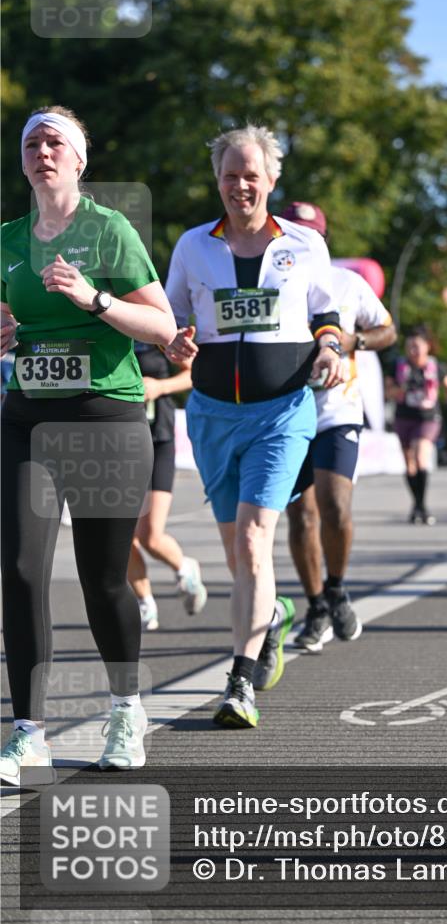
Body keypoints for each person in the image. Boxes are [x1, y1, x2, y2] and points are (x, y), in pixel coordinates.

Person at [0, 106, 176, 785]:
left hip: (105, 415)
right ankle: (28, 733)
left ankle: (126, 712)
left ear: (78, 160)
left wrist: (93, 299)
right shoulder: (10, 237)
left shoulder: (109, 230)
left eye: (55, 142)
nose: (43, 151)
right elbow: (9, 314)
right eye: (32, 142)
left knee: (104, 578)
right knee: (18, 570)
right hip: (28, 418)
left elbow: (161, 325)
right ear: (23, 160)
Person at [164, 125, 343, 729]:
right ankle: (273, 612)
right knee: (241, 560)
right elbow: (172, 316)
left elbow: (327, 313)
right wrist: (177, 341)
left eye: (250, 174)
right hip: (212, 413)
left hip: (282, 410)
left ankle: (239, 684)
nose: (239, 184)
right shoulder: (193, 245)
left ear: (271, 179)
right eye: (229, 175)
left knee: (251, 540)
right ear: (217, 180)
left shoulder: (304, 244)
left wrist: (331, 347)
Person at [281, 202, 397, 652]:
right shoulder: (272, 282)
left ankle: (336, 587)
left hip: (337, 411)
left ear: (323, 240)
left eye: (310, 235)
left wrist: (356, 341)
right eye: (293, 234)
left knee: (335, 507)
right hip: (288, 411)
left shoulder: (349, 284)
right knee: (301, 514)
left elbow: (388, 331)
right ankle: (315, 606)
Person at [129, 340, 208, 631]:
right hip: (116, 443)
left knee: (150, 535)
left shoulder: (156, 331)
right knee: (121, 536)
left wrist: (160, 387)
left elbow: (194, 373)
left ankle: (184, 567)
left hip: (157, 440)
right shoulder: (103, 324)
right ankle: (144, 603)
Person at [385, 326, 445, 524]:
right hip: (404, 417)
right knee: (409, 465)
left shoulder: (436, 367)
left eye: (417, 346)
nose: (413, 351)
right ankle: (417, 505)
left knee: (421, 456)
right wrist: (398, 389)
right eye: (409, 346)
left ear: (427, 346)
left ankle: (423, 505)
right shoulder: (398, 366)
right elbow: (388, 392)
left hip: (428, 417)